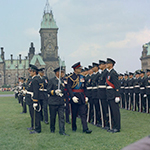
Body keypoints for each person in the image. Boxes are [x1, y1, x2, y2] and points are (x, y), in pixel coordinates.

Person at [67, 62, 92, 134]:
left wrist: (86, 96)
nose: (80, 70)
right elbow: (69, 88)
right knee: (74, 114)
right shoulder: (70, 78)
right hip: (74, 97)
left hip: (81, 97)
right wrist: (72, 97)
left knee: (83, 113)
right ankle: (74, 127)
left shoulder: (82, 77)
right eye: (79, 68)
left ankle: (85, 128)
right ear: (75, 69)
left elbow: (84, 87)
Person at [47, 67, 69, 136]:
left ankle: (62, 131)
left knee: (62, 117)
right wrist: (54, 91)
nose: (63, 73)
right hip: (53, 102)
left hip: (61, 102)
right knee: (53, 117)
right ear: (57, 73)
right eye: (61, 72)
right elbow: (48, 90)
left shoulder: (62, 81)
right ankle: (52, 129)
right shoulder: (52, 80)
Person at [23, 64, 41, 134]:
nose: (29, 72)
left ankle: (37, 129)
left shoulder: (35, 80)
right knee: (32, 114)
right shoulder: (32, 79)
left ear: (34, 72)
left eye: (31, 71)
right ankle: (33, 126)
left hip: (33, 99)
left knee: (35, 115)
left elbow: (36, 91)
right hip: (30, 99)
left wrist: (35, 101)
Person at [106, 58, 121, 133]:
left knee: (115, 112)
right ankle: (113, 126)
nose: (106, 64)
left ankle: (117, 127)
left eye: (108, 63)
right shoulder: (109, 73)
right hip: (109, 95)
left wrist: (117, 95)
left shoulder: (113, 73)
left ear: (111, 64)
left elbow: (117, 85)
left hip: (113, 95)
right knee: (111, 112)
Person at [97, 60, 109, 129]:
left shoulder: (106, 73)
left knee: (106, 109)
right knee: (102, 109)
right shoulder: (102, 73)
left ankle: (107, 123)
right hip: (101, 94)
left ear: (104, 65)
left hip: (104, 94)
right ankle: (104, 122)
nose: (99, 66)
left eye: (101, 64)